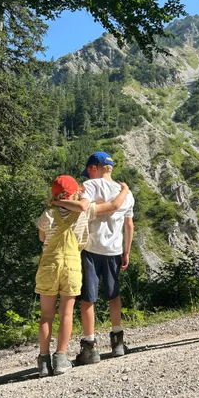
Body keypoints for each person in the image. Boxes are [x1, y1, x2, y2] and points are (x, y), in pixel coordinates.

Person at [36, 174, 129, 377]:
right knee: (66, 313)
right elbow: (113, 206)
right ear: (75, 193)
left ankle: (43, 362)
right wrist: (124, 190)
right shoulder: (83, 213)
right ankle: (60, 358)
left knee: (46, 315)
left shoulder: (48, 214)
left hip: (49, 266)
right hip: (71, 266)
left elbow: (42, 237)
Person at [54, 151, 135, 364]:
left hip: (90, 249)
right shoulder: (126, 193)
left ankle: (90, 347)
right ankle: (117, 342)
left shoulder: (90, 185)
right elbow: (129, 225)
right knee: (113, 296)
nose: (88, 175)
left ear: (93, 168)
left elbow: (83, 208)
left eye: (88, 171)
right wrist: (126, 251)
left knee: (88, 299)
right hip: (114, 250)